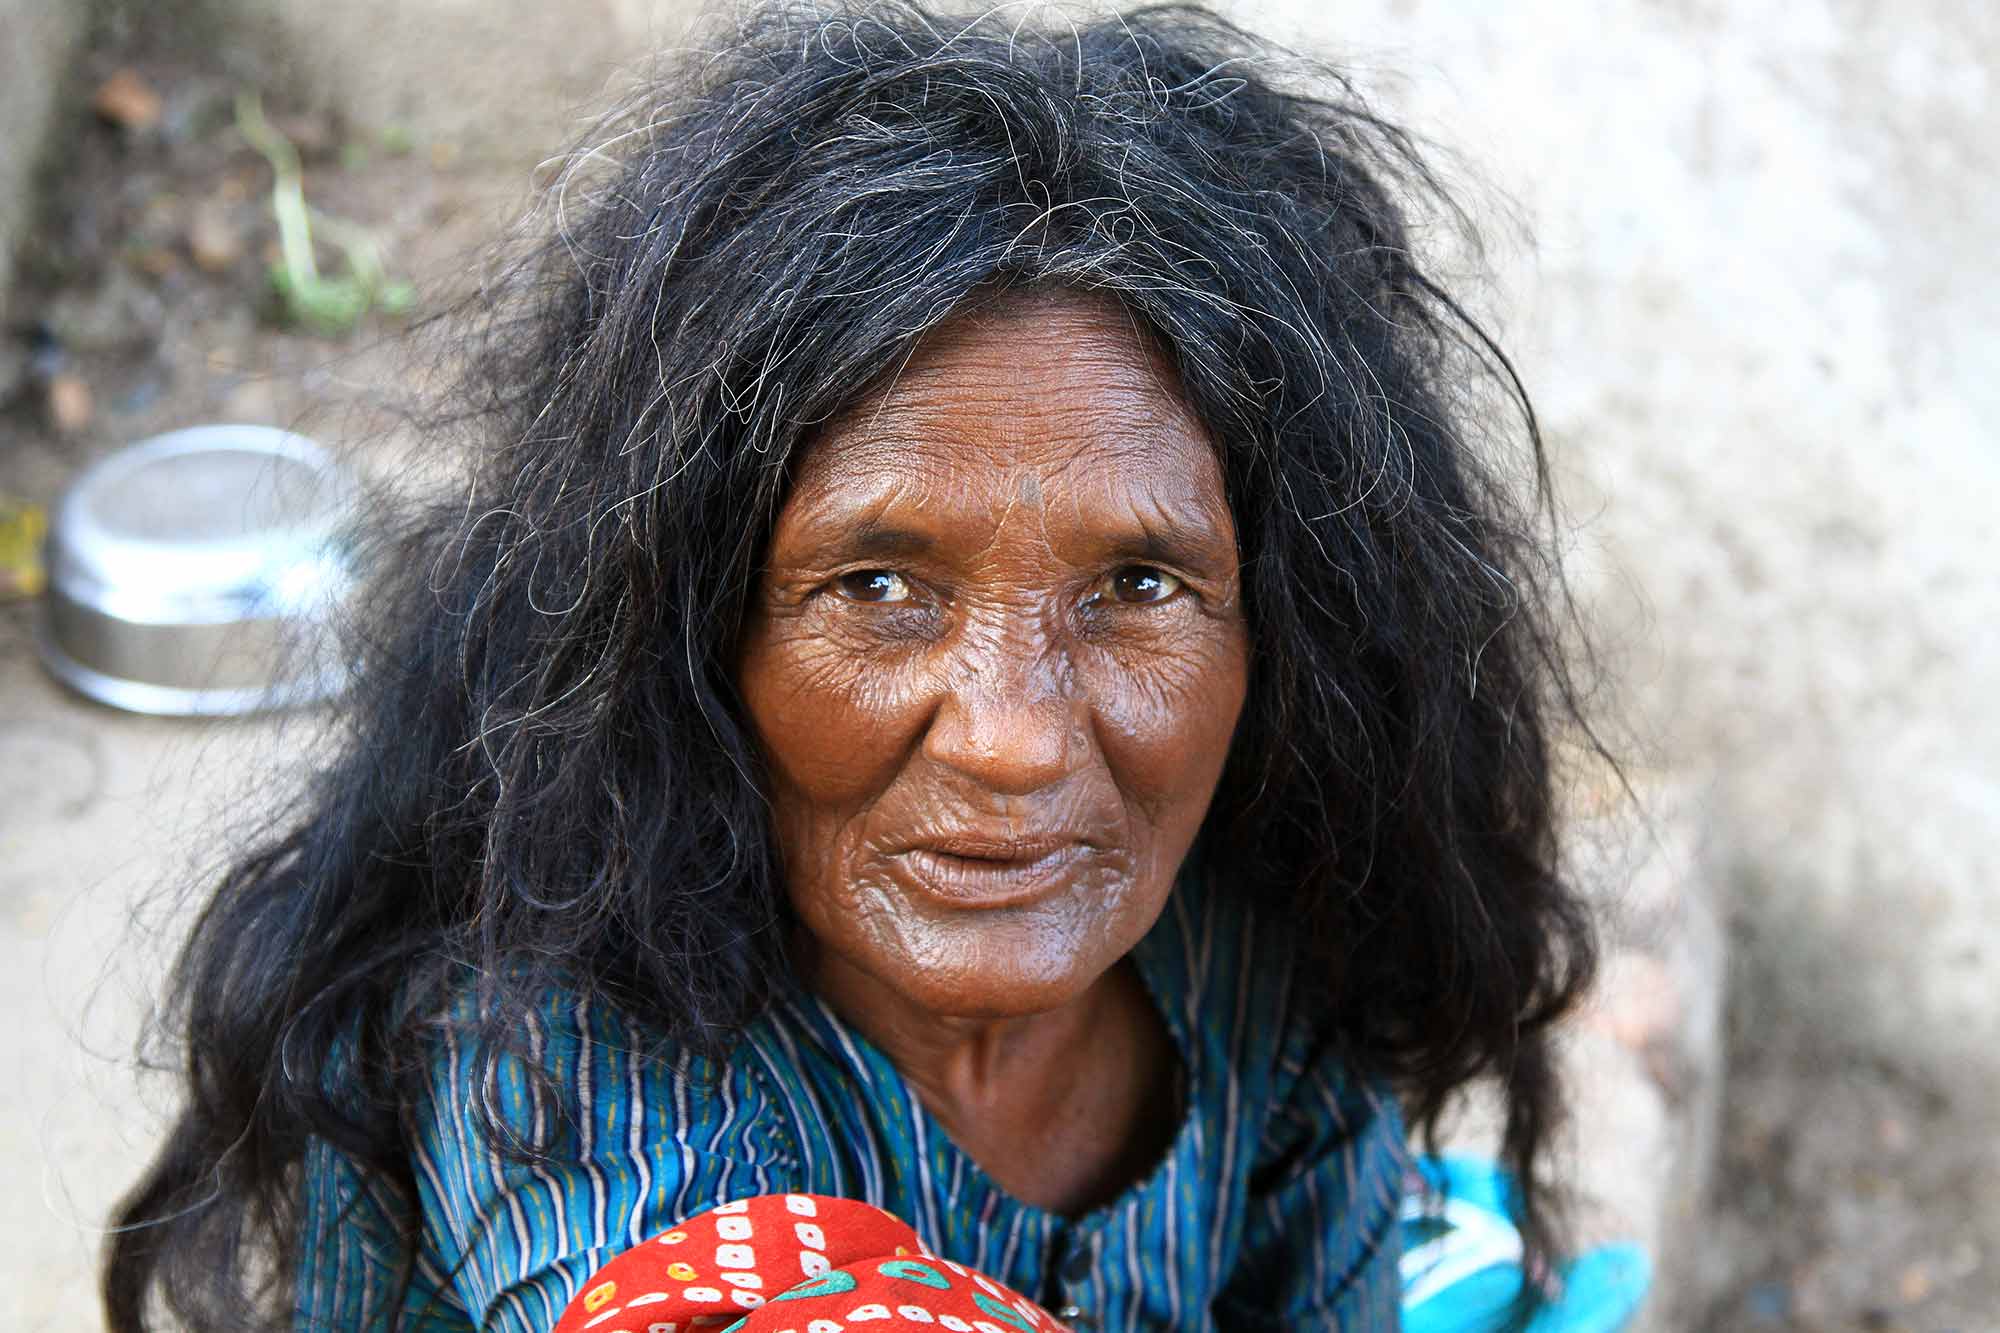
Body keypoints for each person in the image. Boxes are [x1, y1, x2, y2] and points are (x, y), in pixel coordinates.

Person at [103, 3, 1609, 1329]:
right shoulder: (558, 1059)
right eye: (879, 587)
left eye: (1139, 584)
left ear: (1289, 639)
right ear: (693, 638)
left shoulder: (1263, 974)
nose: (1014, 736)